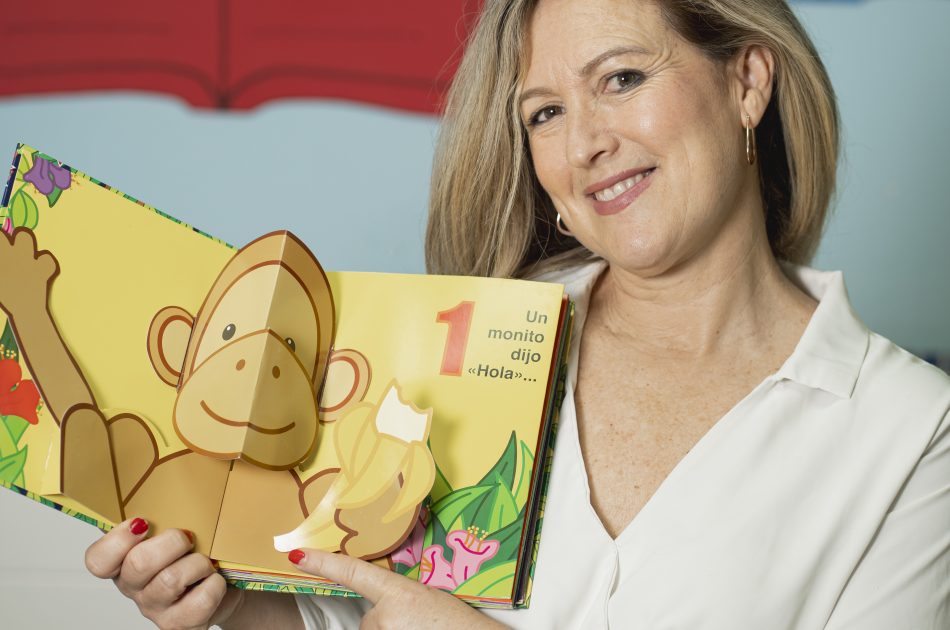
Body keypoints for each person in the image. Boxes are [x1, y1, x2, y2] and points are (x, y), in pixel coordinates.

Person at [82, 0, 950, 628]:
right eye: (546, 113)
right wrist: (236, 608)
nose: (585, 144)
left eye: (622, 78)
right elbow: (355, 615)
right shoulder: (458, 349)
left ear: (747, 81)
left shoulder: (911, 433)